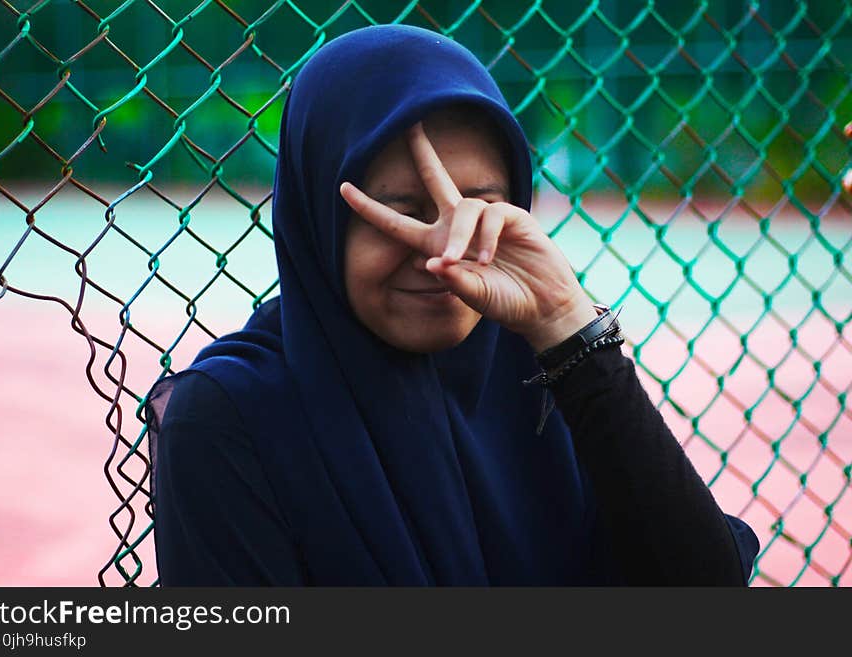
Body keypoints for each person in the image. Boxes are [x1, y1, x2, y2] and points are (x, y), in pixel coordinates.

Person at [144, 24, 759, 586]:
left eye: (480, 209)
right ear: (319, 224)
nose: (443, 251)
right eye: (398, 215)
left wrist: (570, 327)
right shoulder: (231, 418)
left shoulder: (546, 365)